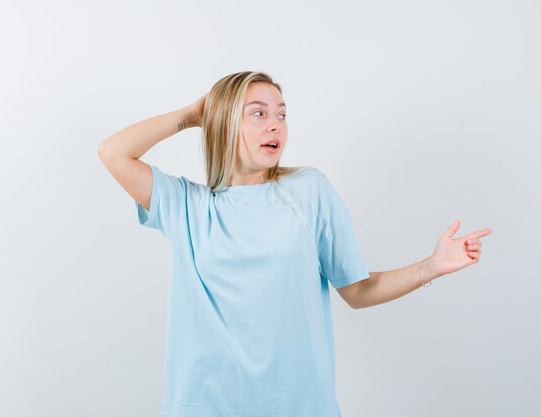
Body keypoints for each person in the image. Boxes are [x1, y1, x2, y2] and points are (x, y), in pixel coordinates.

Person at [97, 71, 492, 417]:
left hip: (297, 405)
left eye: (282, 114)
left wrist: (431, 265)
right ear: (222, 124)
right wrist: (192, 115)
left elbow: (356, 289)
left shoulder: (307, 191)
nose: (276, 125)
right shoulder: (186, 205)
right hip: (205, 404)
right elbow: (113, 153)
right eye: (259, 113)